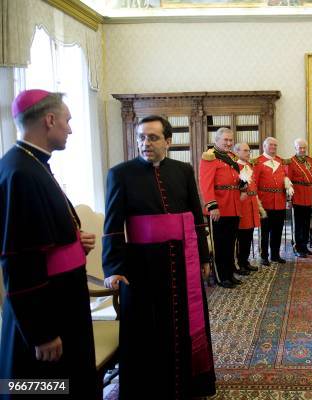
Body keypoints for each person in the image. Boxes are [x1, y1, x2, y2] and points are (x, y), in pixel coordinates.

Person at [102, 115, 215, 399]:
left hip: (181, 261)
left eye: (152, 137)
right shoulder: (120, 173)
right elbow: (113, 225)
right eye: (141, 137)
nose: (145, 143)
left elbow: (196, 218)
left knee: (182, 323)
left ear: (168, 140)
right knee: (147, 329)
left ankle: (188, 385)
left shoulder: (183, 170)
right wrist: (113, 267)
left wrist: (203, 256)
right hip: (141, 266)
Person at [0, 90, 98, 399]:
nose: (70, 128)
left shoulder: (33, 163)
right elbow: (18, 259)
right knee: (43, 389)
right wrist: (41, 333)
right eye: (67, 120)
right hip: (47, 313)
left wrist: (71, 240)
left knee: (68, 383)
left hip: (62, 301)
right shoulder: (20, 171)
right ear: (49, 119)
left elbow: (41, 236)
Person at [199, 127, 247, 288]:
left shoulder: (231, 157)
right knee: (219, 245)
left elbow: (234, 178)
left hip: (233, 206)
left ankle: (229, 274)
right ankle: (220, 277)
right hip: (219, 208)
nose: (228, 143)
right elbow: (206, 185)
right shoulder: (209, 157)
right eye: (225, 140)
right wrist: (212, 206)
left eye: (230, 140)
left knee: (230, 243)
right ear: (216, 140)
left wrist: (241, 184)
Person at [254, 137, 294, 266]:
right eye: (270, 145)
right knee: (265, 232)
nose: (273, 147)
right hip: (265, 202)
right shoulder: (258, 162)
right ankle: (264, 256)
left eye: (275, 145)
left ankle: (275, 255)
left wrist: (288, 186)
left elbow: (285, 178)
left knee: (278, 230)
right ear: (264, 146)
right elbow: (254, 183)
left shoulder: (280, 161)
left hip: (280, 201)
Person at [234, 142, 265, 273]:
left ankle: (245, 261)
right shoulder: (235, 166)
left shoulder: (249, 166)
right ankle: (239, 263)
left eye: (249, 151)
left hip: (252, 202)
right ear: (237, 152)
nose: (248, 153)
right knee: (242, 236)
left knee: (249, 234)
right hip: (242, 204)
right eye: (245, 151)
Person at [287, 139, 312, 258]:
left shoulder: (310, 161)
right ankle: (297, 247)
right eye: (300, 148)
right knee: (298, 224)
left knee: (306, 224)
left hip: (308, 196)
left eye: (304, 148)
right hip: (297, 196)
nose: (302, 150)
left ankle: (305, 246)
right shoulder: (291, 162)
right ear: (295, 148)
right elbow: (288, 182)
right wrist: (289, 200)